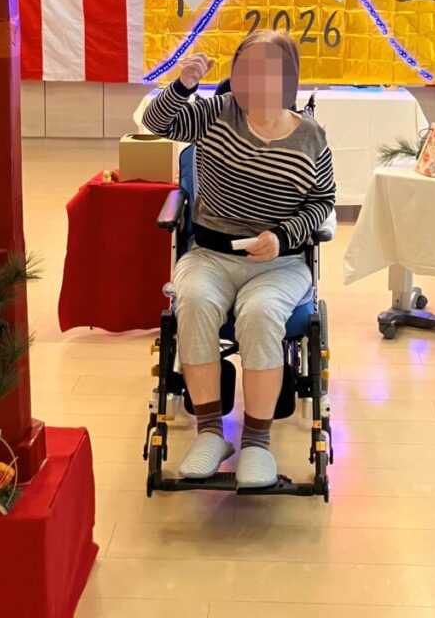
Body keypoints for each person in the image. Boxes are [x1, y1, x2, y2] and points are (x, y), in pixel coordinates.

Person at [142, 30, 336, 488]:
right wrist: (184, 84)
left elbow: (323, 200)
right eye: (246, 68)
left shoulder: (310, 135)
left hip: (279, 263)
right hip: (209, 255)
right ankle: (211, 434)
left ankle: (256, 443)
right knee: (194, 302)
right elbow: (157, 123)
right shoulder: (215, 113)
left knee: (261, 313)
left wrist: (283, 236)